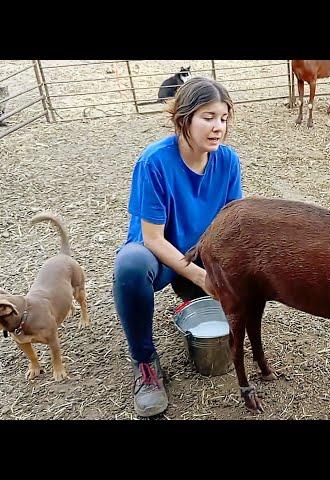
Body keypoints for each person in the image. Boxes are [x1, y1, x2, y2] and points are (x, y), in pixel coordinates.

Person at [112, 77, 242, 417]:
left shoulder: (227, 161)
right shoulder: (154, 161)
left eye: (224, 118)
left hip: (202, 253)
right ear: (183, 118)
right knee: (130, 266)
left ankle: (193, 309)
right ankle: (144, 363)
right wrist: (202, 278)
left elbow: (231, 225)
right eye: (208, 117)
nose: (218, 127)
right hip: (160, 256)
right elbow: (154, 239)